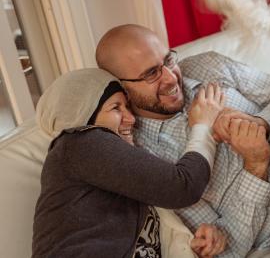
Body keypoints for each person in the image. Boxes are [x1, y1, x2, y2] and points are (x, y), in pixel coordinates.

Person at [96, 24, 270, 257]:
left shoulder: (207, 66)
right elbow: (227, 247)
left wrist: (261, 124)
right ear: (121, 87)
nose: (170, 78)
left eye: (168, 60)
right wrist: (256, 167)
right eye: (151, 73)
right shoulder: (146, 161)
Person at [32, 68, 228, 258]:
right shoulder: (79, 143)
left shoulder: (104, 168)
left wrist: (193, 247)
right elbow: (183, 187)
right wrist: (203, 126)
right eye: (116, 108)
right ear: (83, 113)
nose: (131, 119)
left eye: (127, 107)